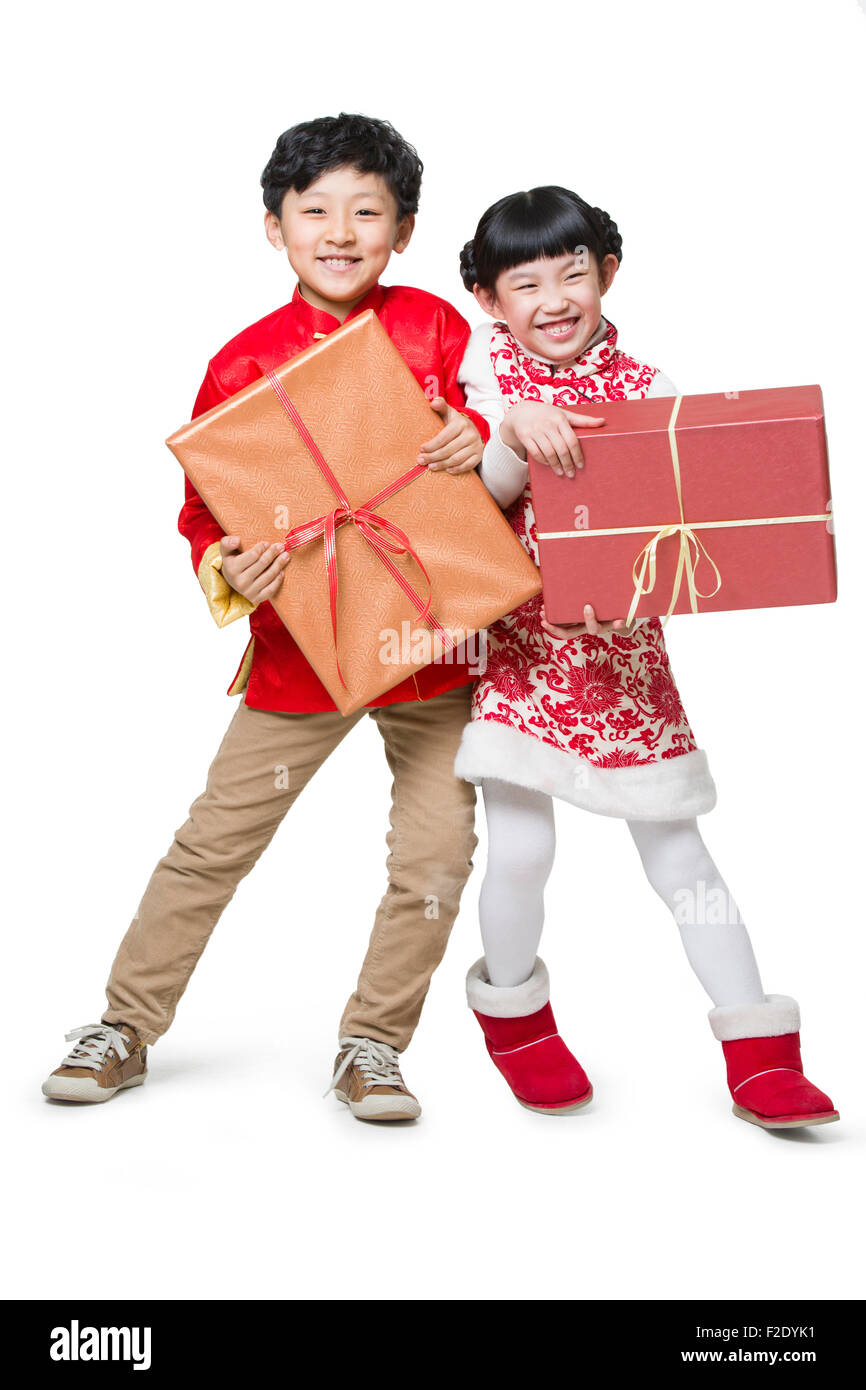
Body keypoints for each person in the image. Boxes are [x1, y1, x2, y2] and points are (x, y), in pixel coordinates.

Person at [42, 112, 490, 1123]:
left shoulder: (438, 331)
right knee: (216, 841)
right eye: (315, 209)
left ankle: (373, 1044)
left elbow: (504, 425)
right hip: (309, 653)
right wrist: (227, 562)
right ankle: (125, 1023)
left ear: (402, 230)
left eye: (366, 211)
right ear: (273, 227)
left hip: (435, 649)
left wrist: (480, 437)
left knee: (434, 859)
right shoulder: (242, 365)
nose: (339, 231)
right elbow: (205, 504)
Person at [453, 186, 838, 1129]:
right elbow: (469, 506)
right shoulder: (482, 381)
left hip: (624, 665)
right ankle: (521, 1027)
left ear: (608, 274)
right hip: (518, 657)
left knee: (681, 855)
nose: (553, 297)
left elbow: (699, 515)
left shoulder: (652, 388)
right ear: (489, 299)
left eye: (572, 273)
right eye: (526, 281)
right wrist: (514, 437)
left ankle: (758, 1055)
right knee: (521, 850)